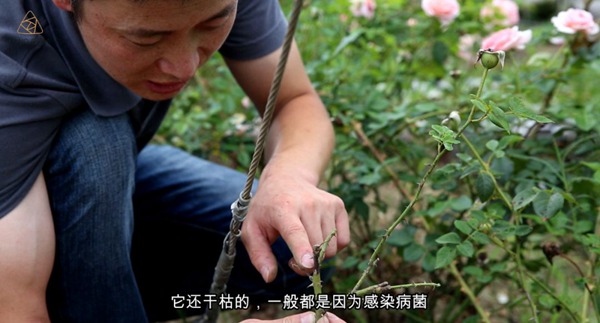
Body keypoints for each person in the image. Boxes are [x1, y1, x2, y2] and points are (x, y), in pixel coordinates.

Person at [0, 0, 350, 322]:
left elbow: (294, 101)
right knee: (94, 141)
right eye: (146, 39)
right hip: (18, 215)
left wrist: (288, 178)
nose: (185, 66)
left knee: (293, 248)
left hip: (119, 178)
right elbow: (16, 307)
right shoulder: (11, 61)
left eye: (214, 23)